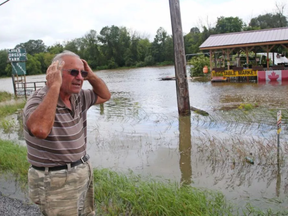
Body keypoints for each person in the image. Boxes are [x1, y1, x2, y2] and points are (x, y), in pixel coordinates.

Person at [23, 50, 111, 216]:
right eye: (73, 72)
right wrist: (55, 86)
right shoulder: (38, 99)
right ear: (55, 73)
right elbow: (40, 130)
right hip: (55, 180)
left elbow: (105, 95)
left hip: (82, 169)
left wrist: (91, 75)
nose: (80, 77)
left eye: (82, 73)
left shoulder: (78, 97)